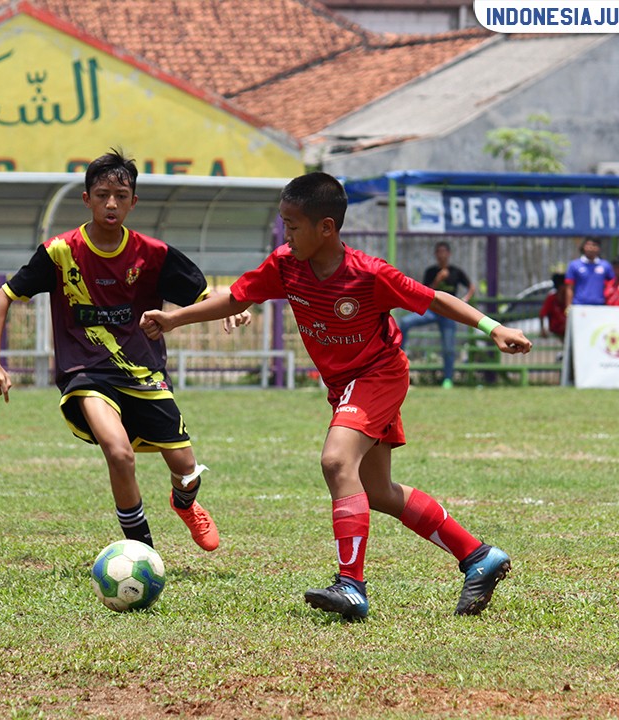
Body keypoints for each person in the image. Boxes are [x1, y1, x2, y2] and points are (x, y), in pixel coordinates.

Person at [141, 172, 532, 620]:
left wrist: (494, 327)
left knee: (335, 461)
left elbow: (435, 299)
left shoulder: (369, 274)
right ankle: (478, 556)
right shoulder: (286, 265)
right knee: (378, 491)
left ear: (326, 227)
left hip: (379, 375)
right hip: (343, 386)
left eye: (293, 225)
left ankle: (351, 586)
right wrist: (175, 320)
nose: (286, 234)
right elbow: (237, 298)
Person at [0, 150, 248, 552]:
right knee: (119, 453)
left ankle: (185, 503)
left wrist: (230, 310)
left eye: (121, 195)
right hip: (86, 373)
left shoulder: (153, 254)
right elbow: (3, 296)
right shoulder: (60, 251)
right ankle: (142, 552)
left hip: (144, 373)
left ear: (133, 202)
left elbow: (204, 293)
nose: (111, 203)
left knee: (186, 469)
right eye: (102, 194)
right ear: (86, 199)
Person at [397, 241, 474, 389]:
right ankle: (398, 357)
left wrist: (465, 299)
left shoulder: (456, 271)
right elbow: (424, 291)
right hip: (431, 311)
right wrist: (438, 280)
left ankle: (448, 379)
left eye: (444, 251)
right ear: (436, 254)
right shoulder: (431, 271)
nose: (442, 255)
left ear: (449, 254)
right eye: (439, 252)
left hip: (448, 313)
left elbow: (471, 286)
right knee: (405, 322)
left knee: (449, 347)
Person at [564, 237, 614, 307]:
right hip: (579, 305)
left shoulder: (605, 265)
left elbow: (612, 284)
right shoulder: (574, 265)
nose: (591, 248)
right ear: (584, 246)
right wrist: (568, 306)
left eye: (594, 245)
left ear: (599, 248)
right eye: (588, 245)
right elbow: (569, 288)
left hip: (599, 305)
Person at [538, 273, 567, 340]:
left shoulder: (568, 298)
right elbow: (542, 314)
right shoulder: (551, 298)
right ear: (561, 286)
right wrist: (543, 329)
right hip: (556, 331)